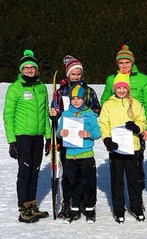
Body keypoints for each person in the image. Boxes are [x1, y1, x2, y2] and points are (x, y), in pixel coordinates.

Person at [101, 45, 147, 207]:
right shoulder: (112, 79)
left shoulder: (143, 79)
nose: (124, 66)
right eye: (121, 63)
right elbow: (104, 100)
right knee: (117, 168)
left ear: (132, 63)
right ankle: (119, 201)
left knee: (136, 165)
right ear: (117, 64)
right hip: (117, 131)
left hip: (136, 129)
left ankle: (137, 198)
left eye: (127, 63)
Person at [49, 55, 101, 218]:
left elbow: (97, 109)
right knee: (68, 175)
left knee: (85, 174)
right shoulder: (60, 92)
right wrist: (53, 114)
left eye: (79, 74)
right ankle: (68, 203)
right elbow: (55, 113)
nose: (76, 77)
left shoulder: (88, 91)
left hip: (83, 140)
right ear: (67, 74)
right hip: (66, 139)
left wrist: (86, 116)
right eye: (73, 74)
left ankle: (85, 203)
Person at [3, 49, 50, 223]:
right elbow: (8, 116)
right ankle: (23, 209)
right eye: (26, 68)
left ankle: (32, 206)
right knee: (25, 172)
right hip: (22, 137)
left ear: (37, 70)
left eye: (32, 67)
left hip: (38, 137)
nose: (30, 70)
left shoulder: (41, 87)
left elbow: (45, 114)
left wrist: (48, 137)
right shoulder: (15, 88)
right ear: (21, 70)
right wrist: (11, 141)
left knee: (35, 172)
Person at [99, 72, 146, 223]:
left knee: (134, 179)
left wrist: (137, 127)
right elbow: (103, 123)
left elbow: (142, 120)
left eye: (124, 87)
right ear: (114, 88)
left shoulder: (135, 103)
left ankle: (136, 207)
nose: (121, 90)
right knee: (117, 180)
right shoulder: (108, 104)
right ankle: (119, 209)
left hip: (132, 147)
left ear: (128, 88)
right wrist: (107, 140)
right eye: (118, 87)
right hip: (116, 149)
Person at [56, 84, 100, 223]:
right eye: (73, 98)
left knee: (88, 183)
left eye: (79, 98)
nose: (76, 101)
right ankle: (74, 208)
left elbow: (97, 133)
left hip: (86, 154)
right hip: (70, 155)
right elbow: (58, 130)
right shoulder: (65, 114)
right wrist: (60, 133)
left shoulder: (90, 114)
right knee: (73, 182)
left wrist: (88, 134)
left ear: (84, 99)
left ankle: (89, 209)